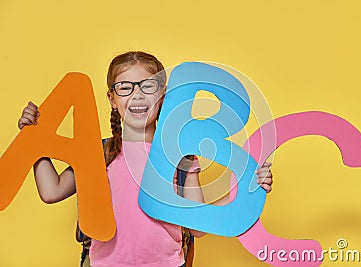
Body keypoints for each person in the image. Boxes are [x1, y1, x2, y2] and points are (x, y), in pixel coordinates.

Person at [17, 51, 273, 266]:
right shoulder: (97, 153)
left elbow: (198, 226)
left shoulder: (181, 157)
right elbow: (51, 191)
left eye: (147, 86)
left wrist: (251, 191)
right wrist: (34, 141)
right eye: (125, 87)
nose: (137, 95)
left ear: (162, 96)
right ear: (112, 99)